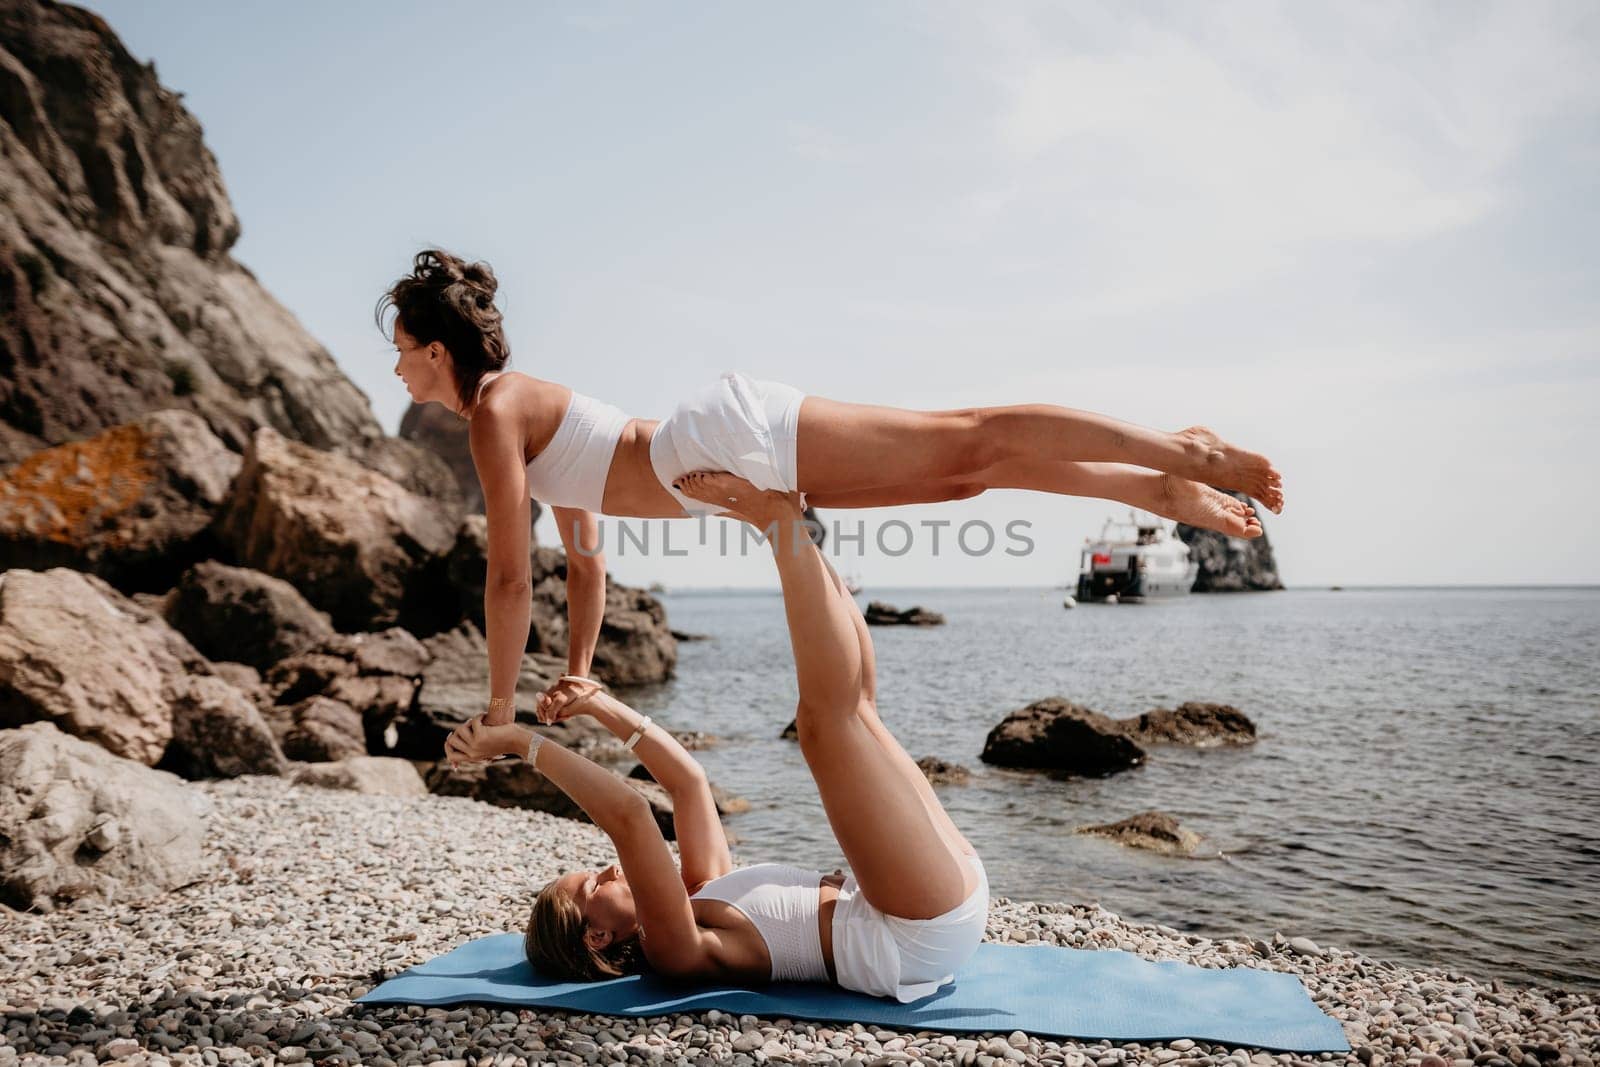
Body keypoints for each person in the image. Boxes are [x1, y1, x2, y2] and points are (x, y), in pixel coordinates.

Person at [382, 248, 1283, 722]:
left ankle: (1182, 450)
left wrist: (500, 712)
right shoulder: (512, 418)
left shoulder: (498, 414)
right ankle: (1154, 492)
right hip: (729, 469)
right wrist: (577, 675)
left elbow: (507, 576)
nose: (397, 373)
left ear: (435, 347)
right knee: (968, 476)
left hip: (728, 438)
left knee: (969, 435)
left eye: (400, 354)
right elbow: (582, 562)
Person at [443, 473, 989, 1002]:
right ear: (597, 937)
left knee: (859, 711)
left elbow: (688, 783)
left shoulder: (702, 893)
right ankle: (779, 519)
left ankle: (790, 523)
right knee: (825, 727)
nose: (608, 869)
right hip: (913, 933)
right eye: (593, 886)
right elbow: (632, 818)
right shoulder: (676, 950)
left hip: (923, 899)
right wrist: (521, 743)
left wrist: (599, 702)